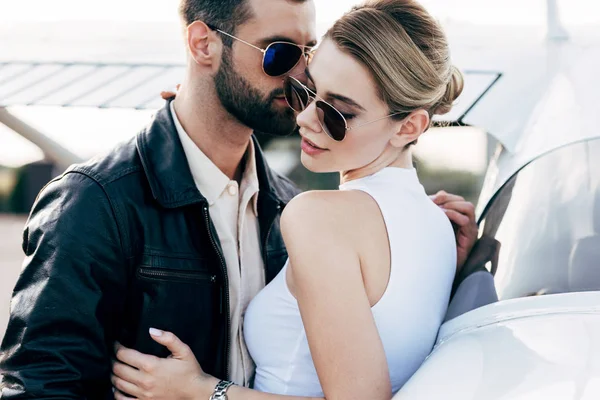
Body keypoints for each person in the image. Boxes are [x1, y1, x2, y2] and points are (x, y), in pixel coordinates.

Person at [0, 0, 478, 398]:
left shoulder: (295, 206)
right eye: (279, 52)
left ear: (410, 125)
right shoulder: (94, 200)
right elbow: (40, 384)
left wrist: (205, 392)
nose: (300, 77)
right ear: (203, 44)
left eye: (307, 53)